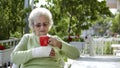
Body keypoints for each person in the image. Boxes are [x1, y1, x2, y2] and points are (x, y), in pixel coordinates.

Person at [11, 7, 80, 68]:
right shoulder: (28, 38)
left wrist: (59, 44)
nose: (42, 28)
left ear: (49, 24)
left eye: (45, 24)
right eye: (38, 25)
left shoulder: (55, 39)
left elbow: (76, 54)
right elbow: (14, 57)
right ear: (33, 26)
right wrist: (36, 52)